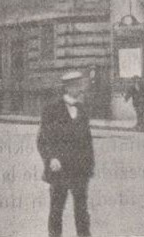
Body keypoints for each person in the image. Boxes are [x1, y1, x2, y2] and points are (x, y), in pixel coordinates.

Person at [37, 70, 94, 237]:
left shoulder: (82, 109)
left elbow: (87, 141)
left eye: (80, 85)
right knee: (56, 209)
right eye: (76, 86)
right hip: (59, 168)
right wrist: (51, 158)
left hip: (80, 169)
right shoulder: (51, 109)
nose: (80, 89)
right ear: (67, 87)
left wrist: (89, 166)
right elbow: (42, 139)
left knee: (82, 210)